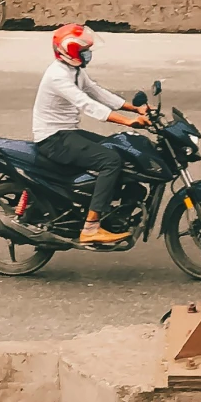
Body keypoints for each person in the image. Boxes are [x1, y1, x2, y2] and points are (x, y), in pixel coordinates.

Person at [31, 26, 146, 245]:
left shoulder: (74, 70)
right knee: (110, 160)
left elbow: (95, 91)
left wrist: (133, 108)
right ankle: (91, 228)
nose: (88, 54)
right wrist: (127, 121)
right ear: (71, 52)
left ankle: (109, 206)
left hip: (67, 132)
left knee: (118, 148)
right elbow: (87, 104)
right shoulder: (58, 76)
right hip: (53, 139)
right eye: (84, 50)